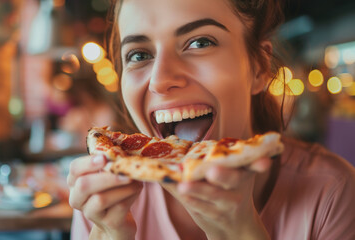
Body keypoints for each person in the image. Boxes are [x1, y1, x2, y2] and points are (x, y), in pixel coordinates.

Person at [67, 0, 355, 239]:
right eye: (139, 54)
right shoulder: (101, 202)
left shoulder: (333, 193)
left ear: (258, 68)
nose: (161, 80)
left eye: (199, 42)